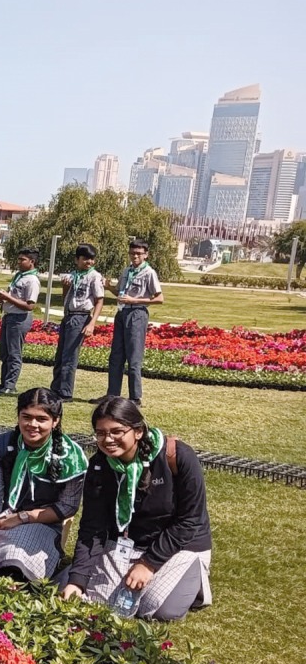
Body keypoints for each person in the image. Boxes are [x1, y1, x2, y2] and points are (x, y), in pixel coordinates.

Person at [61, 397, 212, 621]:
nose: (108, 439)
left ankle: (195, 576)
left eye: (117, 431)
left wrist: (148, 564)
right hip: (127, 542)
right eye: (100, 433)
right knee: (94, 597)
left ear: (138, 431)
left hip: (180, 544)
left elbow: (190, 520)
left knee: (159, 610)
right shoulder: (100, 465)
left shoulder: (177, 456)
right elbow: (92, 527)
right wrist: (77, 579)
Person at [0, 389, 88, 581]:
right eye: (26, 417)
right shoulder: (2, 446)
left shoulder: (71, 458)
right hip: (1, 515)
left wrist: (22, 517)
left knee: (15, 562)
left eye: (41, 419)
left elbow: (67, 507)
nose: (32, 425)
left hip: (42, 521)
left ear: (55, 421)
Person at [98, 240, 163, 406]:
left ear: (146, 255)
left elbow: (159, 298)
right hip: (122, 312)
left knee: (134, 357)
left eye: (139, 253)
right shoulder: (127, 270)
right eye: (132, 253)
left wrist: (134, 300)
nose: (135, 256)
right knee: (116, 356)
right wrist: (108, 287)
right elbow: (120, 291)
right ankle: (112, 395)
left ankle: (135, 397)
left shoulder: (149, 273)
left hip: (137, 314)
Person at [51, 243, 105, 401]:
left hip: (81, 316)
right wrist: (65, 288)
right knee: (60, 355)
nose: (88, 262)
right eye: (85, 258)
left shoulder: (94, 276)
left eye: (91, 259)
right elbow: (66, 299)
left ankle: (65, 392)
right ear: (77, 259)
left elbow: (99, 301)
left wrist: (92, 323)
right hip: (69, 315)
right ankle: (55, 388)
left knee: (70, 356)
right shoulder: (73, 275)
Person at [0, 247, 42, 395]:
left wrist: (8, 298)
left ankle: (10, 385)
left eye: (22, 260)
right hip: (9, 316)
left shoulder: (32, 280)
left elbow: (29, 305)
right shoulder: (20, 276)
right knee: (5, 352)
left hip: (20, 318)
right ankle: (3, 383)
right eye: (19, 259)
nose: (19, 262)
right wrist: (3, 299)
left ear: (31, 261)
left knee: (14, 353)